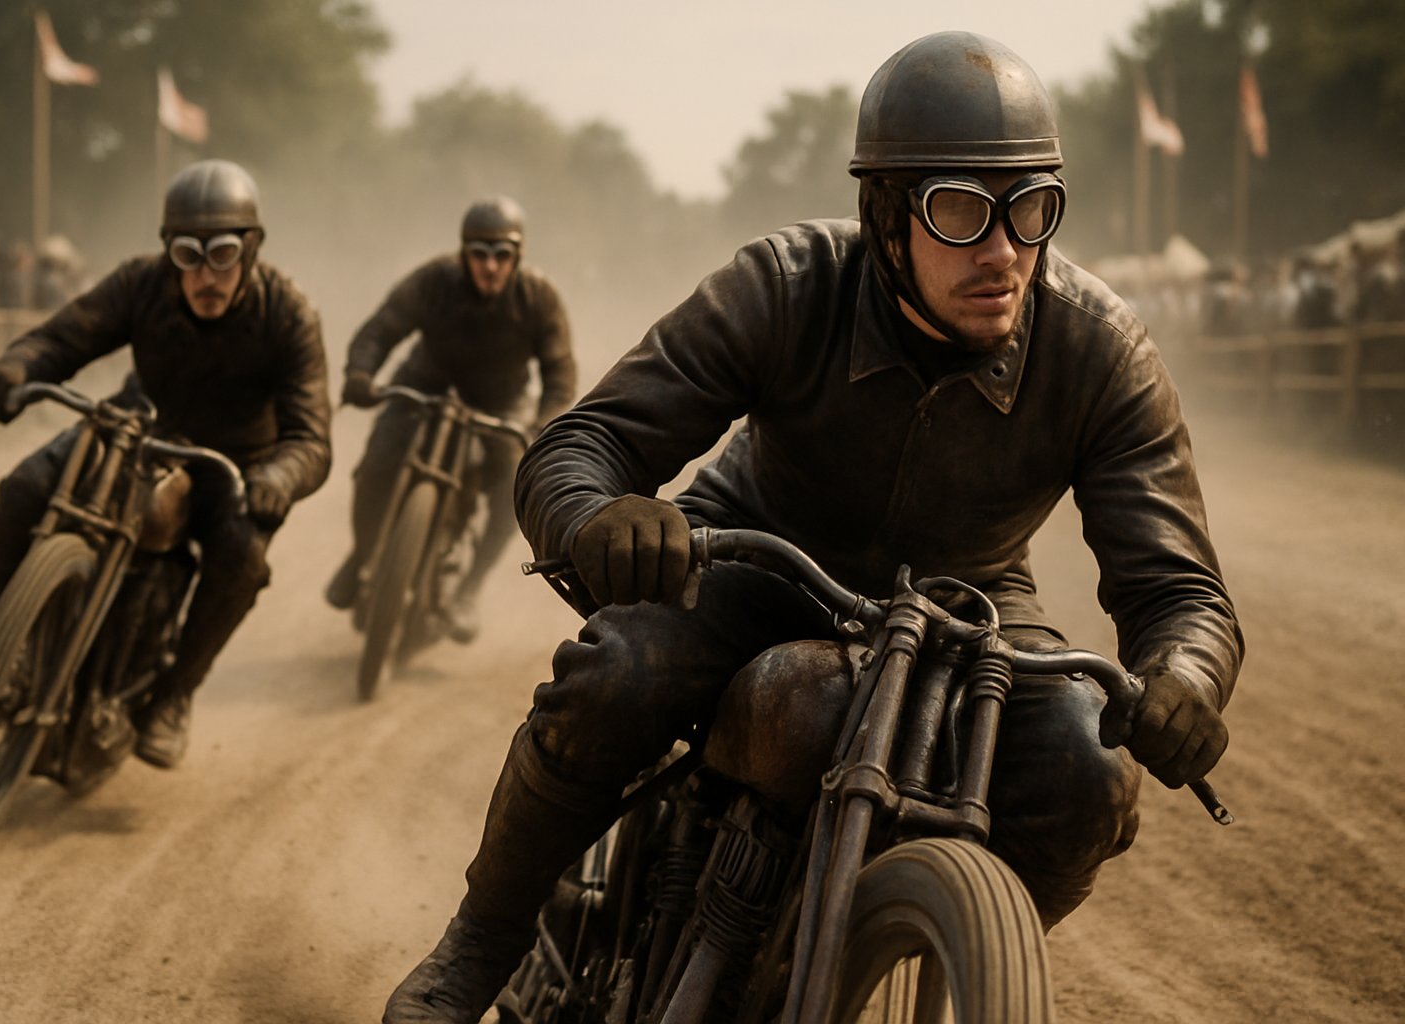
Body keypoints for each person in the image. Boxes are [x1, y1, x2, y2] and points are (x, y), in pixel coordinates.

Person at [383, 32, 1242, 1024]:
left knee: (1088, 776)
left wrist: (1186, 673)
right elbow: (581, 442)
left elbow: (1180, 590)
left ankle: (916, 939)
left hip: (974, 598)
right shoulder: (786, 285)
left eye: (1031, 207)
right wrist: (601, 515)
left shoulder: (1102, 350)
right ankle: (480, 941)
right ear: (885, 218)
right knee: (622, 668)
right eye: (962, 210)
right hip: (758, 551)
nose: (1004, 250)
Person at [0, 159, 332, 768]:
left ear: (253, 249)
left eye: (223, 255)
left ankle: (172, 697)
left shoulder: (290, 314)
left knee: (242, 557)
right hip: (141, 427)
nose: (205, 275)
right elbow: (60, 339)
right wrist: (14, 369)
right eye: (188, 255)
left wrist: (278, 477)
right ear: (167, 252)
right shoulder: (140, 283)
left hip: (236, 465)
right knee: (24, 487)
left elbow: (312, 437)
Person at [324, 197, 576, 641]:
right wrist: (360, 374)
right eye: (479, 253)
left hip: (502, 401)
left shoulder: (539, 297)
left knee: (516, 484)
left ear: (517, 256)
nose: (491, 266)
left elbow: (559, 372)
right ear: (464, 253)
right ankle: (363, 556)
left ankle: (467, 591)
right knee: (376, 465)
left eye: (502, 255)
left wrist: (542, 425)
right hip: (424, 384)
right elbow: (380, 330)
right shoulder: (433, 281)